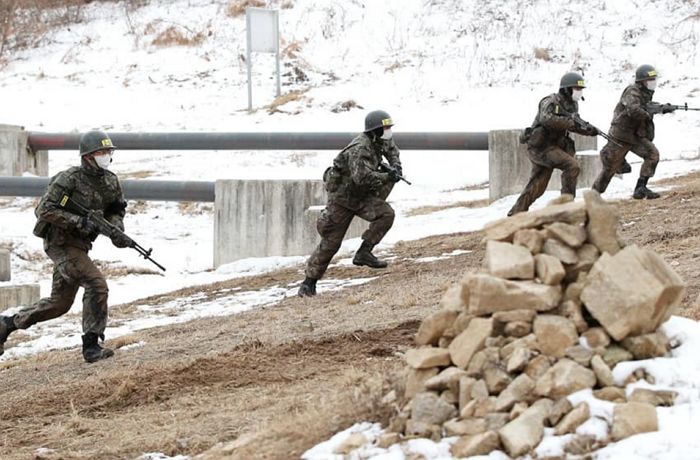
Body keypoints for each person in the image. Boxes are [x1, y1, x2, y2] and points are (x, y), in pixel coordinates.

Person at [0, 130, 132, 362]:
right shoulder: (68, 179)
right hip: (60, 243)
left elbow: (116, 210)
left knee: (59, 304)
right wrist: (79, 221)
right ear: (88, 156)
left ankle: (7, 324)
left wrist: (116, 230)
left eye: (108, 152)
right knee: (96, 284)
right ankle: (91, 346)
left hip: (80, 246)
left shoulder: (110, 181)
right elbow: (45, 210)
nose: (106, 156)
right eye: (101, 152)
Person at [298, 110, 403, 297]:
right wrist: (387, 175)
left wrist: (395, 167)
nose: (388, 131)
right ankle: (308, 283)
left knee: (386, 214)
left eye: (389, 127)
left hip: (362, 196)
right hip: (343, 198)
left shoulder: (380, 140)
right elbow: (361, 178)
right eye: (385, 128)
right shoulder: (359, 148)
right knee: (331, 242)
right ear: (375, 130)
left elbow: (392, 150)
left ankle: (364, 253)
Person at [508, 72, 598, 216]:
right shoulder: (550, 101)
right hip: (541, 147)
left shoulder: (573, 105)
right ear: (566, 89)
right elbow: (547, 119)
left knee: (538, 185)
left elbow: (575, 124)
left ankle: (516, 213)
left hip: (553, 147)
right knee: (572, 166)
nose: (579, 92)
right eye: (576, 88)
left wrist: (589, 130)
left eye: (580, 89)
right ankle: (567, 206)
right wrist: (570, 123)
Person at [592, 64, 668, 199]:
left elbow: (645, 106)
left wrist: (662, 108)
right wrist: (648, 113)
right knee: (610, 168)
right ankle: (593, 196)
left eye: (654, 79)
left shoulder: (645, 93)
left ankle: (641, 188)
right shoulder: (632, 91)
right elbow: (633, 109)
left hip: (636, 136)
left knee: (652, 154)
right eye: (650, 80)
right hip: (621, 136)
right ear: (642, 81)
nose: (653, 83)